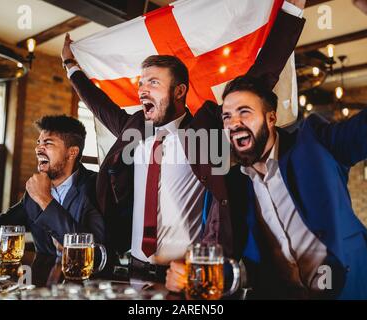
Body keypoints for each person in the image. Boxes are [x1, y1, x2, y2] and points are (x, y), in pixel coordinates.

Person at [166, 0, 367, 299]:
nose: (234, 122)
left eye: (244, 112)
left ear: (272, 118)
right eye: (227, 116)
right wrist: (195, 275)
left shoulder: (316, 143)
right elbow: (250, 268)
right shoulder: (236, 187)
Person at [62, 1, 306, 281]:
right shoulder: (135, 128)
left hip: (187, 276)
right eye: (141, 83)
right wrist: (70, 66)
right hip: (134, 271)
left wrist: (291, 11)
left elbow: (261, 77)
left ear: (179, 91)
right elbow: (99, 104)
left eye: (153, 82)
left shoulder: (208, 129)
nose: (142, 89)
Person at [0, 115, 105, 256]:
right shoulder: (34, 193)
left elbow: (96, 250)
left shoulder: (97, 186)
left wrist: (45, 200)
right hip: (44, 279)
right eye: (38, 143)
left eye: (48, 143)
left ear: (72, 152)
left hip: (89, 280)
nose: (38, 149)